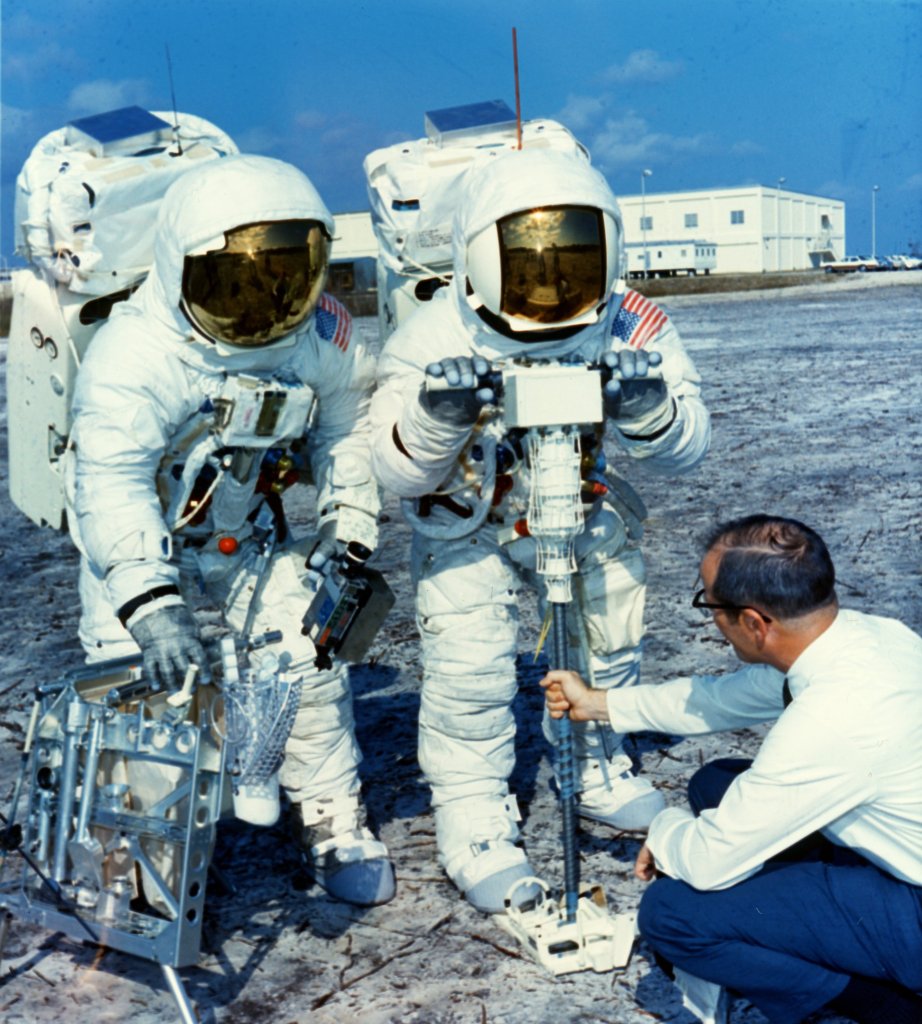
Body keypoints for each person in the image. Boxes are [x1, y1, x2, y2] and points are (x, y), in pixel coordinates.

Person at [369, 148, 710, 913]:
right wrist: (436, 418)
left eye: (570, 259)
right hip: (473, 524)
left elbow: (690, 447)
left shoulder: (628, 318)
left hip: (583, 508)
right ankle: (474, 817)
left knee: (609, 643)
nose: (551, 280)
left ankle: (594, 764)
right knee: (471, 677)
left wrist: (648, 404)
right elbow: (392, 469)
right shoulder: (435, 332)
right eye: (527, 263)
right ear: (482, 258)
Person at [66, 154, 395, 907]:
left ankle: (329, 816)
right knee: (152, 692)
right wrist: (150, 605)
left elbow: (348, 424)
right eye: (238, 281)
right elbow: (111, 480)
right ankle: (152, 846)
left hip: (244, 539)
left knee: (306, 657)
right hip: (144, 554)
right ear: (185, 268)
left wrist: (347, 530)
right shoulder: (136, 352)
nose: (263, 301)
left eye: (285, 273)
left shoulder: (318, 335)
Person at [542, 514, 922, 1024]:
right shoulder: (868, 639)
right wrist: (598, 703)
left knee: (671, 913)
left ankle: (888, 1009)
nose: (710, 620)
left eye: (711, 606)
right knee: (714, 783)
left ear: (753, 623)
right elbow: (721, 699)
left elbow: (706, 861)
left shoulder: (832, 718)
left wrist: (665, 829)